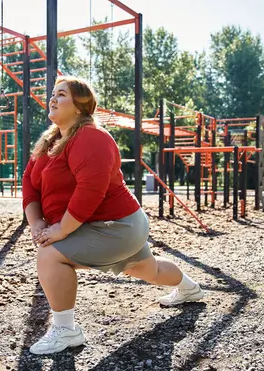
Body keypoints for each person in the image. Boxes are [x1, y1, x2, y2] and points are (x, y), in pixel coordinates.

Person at [22, 76, 205, 355]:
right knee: (147, 269)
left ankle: (66, 331)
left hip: (117, 225)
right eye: (53, 94)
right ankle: (190, 289)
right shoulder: (49, 142)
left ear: (81, 106)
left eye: (61, 94)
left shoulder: (91, 137)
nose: (53, 98)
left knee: (50, 254)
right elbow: (29, 184)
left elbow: (90, 190)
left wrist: (59, 231)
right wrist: (36, 221)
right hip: (93, 224)